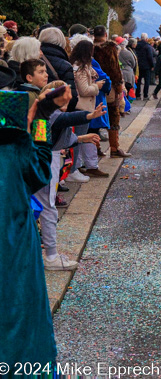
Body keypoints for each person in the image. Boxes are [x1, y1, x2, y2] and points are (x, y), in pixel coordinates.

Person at [0, 91, 57, 368]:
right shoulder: (16, 146)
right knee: (20, 307)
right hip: (14, 243)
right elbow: (42, 171)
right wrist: (41, 123)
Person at [32, 83, 105, 270]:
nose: (69, 98)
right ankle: (51, 256)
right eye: (64, 95)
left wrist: (82, 138)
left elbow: (56, 135)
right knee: (48, 208)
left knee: (41, 207)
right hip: (45, 164)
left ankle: (39, 252)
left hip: (44, 162)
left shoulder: (42, 117)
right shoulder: (45, 116)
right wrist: (89, 115)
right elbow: (63, 122)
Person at [69, 38, 108, 180]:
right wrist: (96, 87)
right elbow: (84, 90)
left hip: (83, 106)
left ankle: (75, 167)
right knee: (78, 138)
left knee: (78, 137)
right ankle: (73, 169)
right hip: (83, 106)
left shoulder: (81, 66)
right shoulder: (80, 68)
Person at [95, 42, 130, 158]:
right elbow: (115, 70)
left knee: (94, 119)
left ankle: (96, 148)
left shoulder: (91, 48)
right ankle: (114, 148)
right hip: (109, 88)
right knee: (113, 117)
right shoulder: (109, 50)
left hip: (94, 89)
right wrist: (120, 86)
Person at [135, 33, 157, 100]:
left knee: (138, 81)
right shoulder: (148, 46)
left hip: (138, 66)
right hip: (146, 66)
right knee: (146, 81)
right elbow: (150, 57)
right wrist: (152, 65)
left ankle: (137, 95)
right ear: (146, 39)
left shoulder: (136, 45)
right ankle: (145, 95)